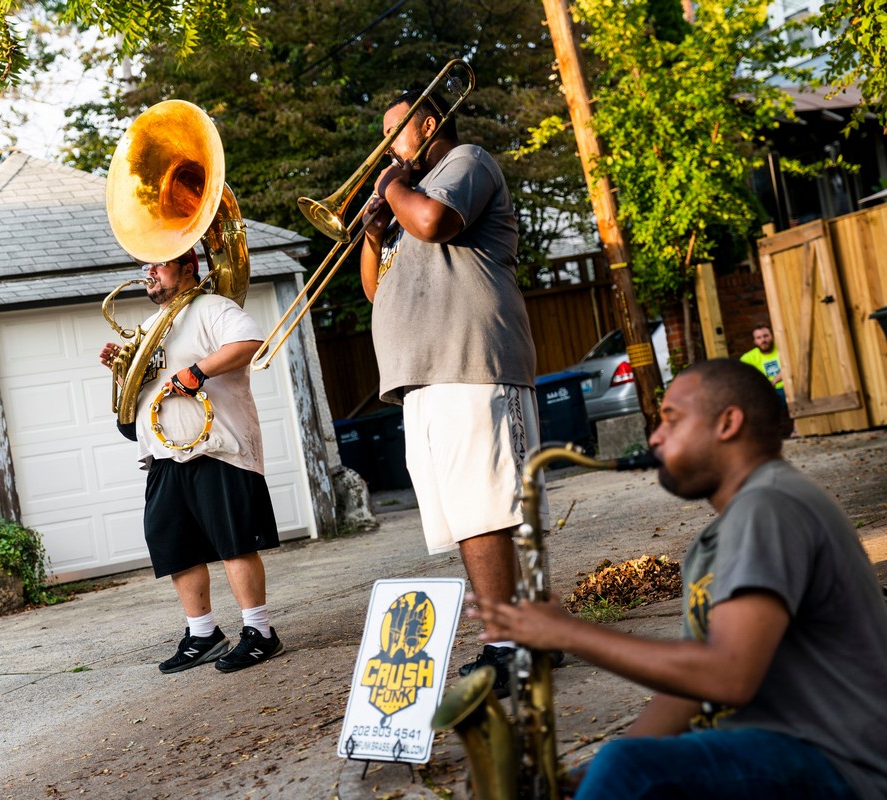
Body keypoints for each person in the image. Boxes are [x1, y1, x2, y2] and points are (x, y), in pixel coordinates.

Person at [471, 359, 887, 799]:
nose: (654, 437)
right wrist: (589, 774)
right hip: (773, 751)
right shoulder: (718, 536)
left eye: (672, 419)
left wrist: (568, 632)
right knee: (614, 765)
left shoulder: (769, 506)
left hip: (841, 767)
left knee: (627, 769)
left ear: (728, 423)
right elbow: (693, 685)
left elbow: (728, 676)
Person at [359, 87, 542, 691]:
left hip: (474, 365)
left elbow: (435, 223)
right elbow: (375, 292)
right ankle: (525, 635)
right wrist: (372, 230)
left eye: (394, 134)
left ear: (429, 123)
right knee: (468, 515)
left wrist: (390, 189)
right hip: (426, 378)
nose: (385, 148)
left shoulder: (467, 163)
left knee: (492, 509)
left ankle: (512, 644)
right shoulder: (410, 202)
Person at [99, 248, 284, 674]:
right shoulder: (149, 325)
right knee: (174, 547)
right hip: (165, 454)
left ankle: (260, 633)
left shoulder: (213, 307)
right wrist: (121, 365)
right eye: (148, 265)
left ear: (188, 269)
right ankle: (203, 634)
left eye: (159, 264)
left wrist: (197, 372)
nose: (150, 272)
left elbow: (251, 343)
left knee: (233, 543)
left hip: (217, 447)